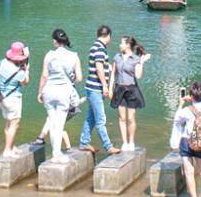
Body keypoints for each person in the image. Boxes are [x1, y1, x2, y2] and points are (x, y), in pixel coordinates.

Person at [38, 28, 81, 153]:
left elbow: (44, 76)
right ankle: (57, 154)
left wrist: (40, 92)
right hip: (64, 92)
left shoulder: (49, 55)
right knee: (59, 124)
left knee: (52, 122)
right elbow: (79, 78)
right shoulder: (74, 56)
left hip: (49, 91)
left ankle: (55, 154)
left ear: (54, 41)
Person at [79, 25, 114, 154]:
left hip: (91, 87)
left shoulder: (95, 46)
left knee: (91, 118)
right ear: (108, 36)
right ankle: (108, 146)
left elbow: (100, 64)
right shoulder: (100, 48)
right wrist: (105, 85)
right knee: (100, 120)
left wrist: (108, 66)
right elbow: (99, 68)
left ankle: (84, 142)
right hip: (95, 89)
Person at [111, 35, 149, 152]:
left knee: (131, 118)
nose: (119, 45)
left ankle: (131, 141)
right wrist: (109, 88)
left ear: (127, 45)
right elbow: (113, 74)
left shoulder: (135, 59)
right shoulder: (117, 57)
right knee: (122, 118)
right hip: (119, 88)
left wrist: (142, 62)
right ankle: (125, 142)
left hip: (131, 89)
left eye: (121, 43)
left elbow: (138, 76)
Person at [0, 41, 30, 152]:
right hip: (13, 99)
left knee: (8, 123)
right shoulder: (18, 72)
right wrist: (27, 71)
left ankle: (11, 146)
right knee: (15, 123)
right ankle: (7, 150)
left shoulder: (1, 63)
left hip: (1, 97)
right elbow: (25, 82)